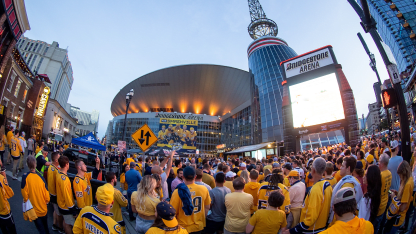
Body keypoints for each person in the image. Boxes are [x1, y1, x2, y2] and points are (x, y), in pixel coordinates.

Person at [285, 157, 333, 234]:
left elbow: (310, 219)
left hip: (312, 230)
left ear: (313, 170)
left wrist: (291, 231)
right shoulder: (327, 185)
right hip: (321, 227)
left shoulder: (316, 189)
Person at [170, 166, 211, 234]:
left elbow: (173, 211)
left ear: (183, 177)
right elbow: (207, 207)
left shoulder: (177, 191)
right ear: (195, 177)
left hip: (183, 227)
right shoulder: (204, 189)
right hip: (198, 226)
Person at [21, 156, 50, 234]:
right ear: (35, 165)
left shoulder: (25, 177)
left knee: (41, 229)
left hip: (33, 210)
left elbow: (25, 196)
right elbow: (47, 197)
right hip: (43, 209)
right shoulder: (41, 178)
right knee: (46, 227)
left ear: (27, 165)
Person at [385, 161, 413, 234]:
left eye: (400, 176)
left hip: (398, 217)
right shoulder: (409, 180)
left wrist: (394, 198)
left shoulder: (407, 185)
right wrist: (397, 193)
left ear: (404, 173)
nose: (400, 178)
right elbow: (404, 197)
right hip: (398, 216)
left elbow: (402, 207)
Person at [56, 155, 77, 233]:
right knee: (69, 223)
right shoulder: (64, 179)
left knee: (66, 221)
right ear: (66, 164)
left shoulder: (59, 173)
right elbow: (67, 196)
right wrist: (72, 210)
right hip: (65, 206)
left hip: (60, 203)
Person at [47, 152, 64, 233]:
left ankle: (54, 224)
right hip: (55, 195)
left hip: (52, 194)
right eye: (59, 157)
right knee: (59, 213)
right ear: (56, 160)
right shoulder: (55, 170)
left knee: (55, 210)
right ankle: (60, 228)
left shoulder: (51, 167)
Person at [0, 162, 16, 234]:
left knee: (3, 229)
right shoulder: (1, 179)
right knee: (11, 228)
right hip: (4, 210)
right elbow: (10, 194)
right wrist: (4, 177)